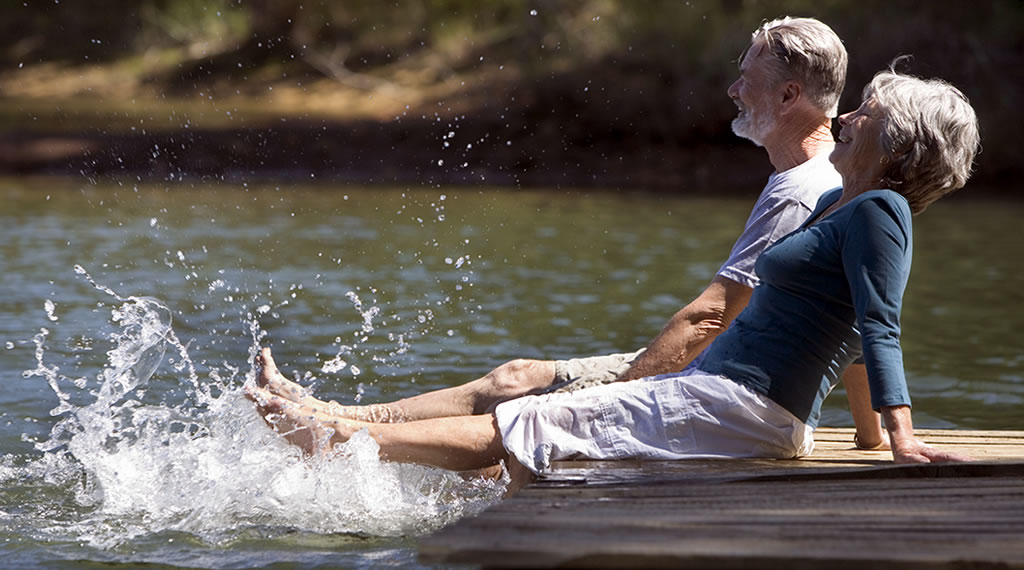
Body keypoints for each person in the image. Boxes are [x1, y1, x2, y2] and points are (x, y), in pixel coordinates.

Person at [248, 66, 980, 491]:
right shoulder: (833, 201)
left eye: (868, 114)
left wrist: (900, 439)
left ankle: (330, 439)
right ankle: (338, 427)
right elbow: (843, 324)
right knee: (537, 422)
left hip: (745, 407)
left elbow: (878, 326)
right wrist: (863, 438)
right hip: (714, 394)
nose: (848, 118)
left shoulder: (882, 210)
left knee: (531, 419)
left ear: (899, 142)